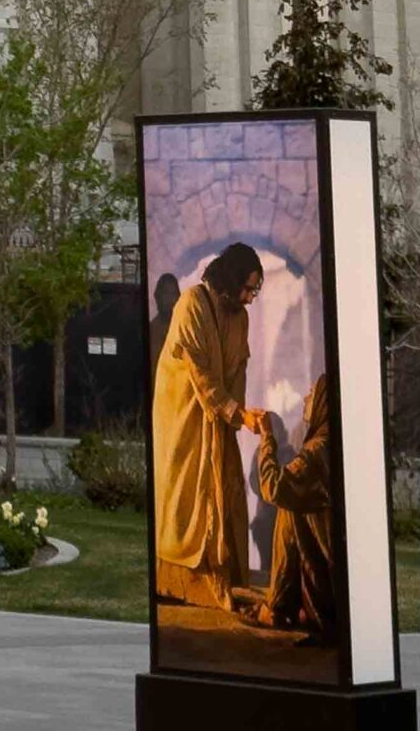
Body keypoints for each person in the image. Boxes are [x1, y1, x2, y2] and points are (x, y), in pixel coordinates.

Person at [151, 242, 267, 612]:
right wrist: (236, 412)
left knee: (226, 486)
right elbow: (201, 373)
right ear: (232, 280)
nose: (250, 298)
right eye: (248, 288)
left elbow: (238, 369)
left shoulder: (240, 317)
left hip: (219, 418)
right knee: (190, 491)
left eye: (255, 290)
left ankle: (225, 578)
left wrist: (240, 415)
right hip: (184, 416)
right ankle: (183, 581)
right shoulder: (191, 304)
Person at [249, 378, 335, 637]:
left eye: (312, 394)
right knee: (292, 501)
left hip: (329, 593)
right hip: (334, 581)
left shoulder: (317, 451)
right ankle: (284, 602)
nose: (306, 399)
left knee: (289, 503)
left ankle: (280, 606)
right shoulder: (332, 443)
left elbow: (273, 487)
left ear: (322, 402)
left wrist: (266, 438)